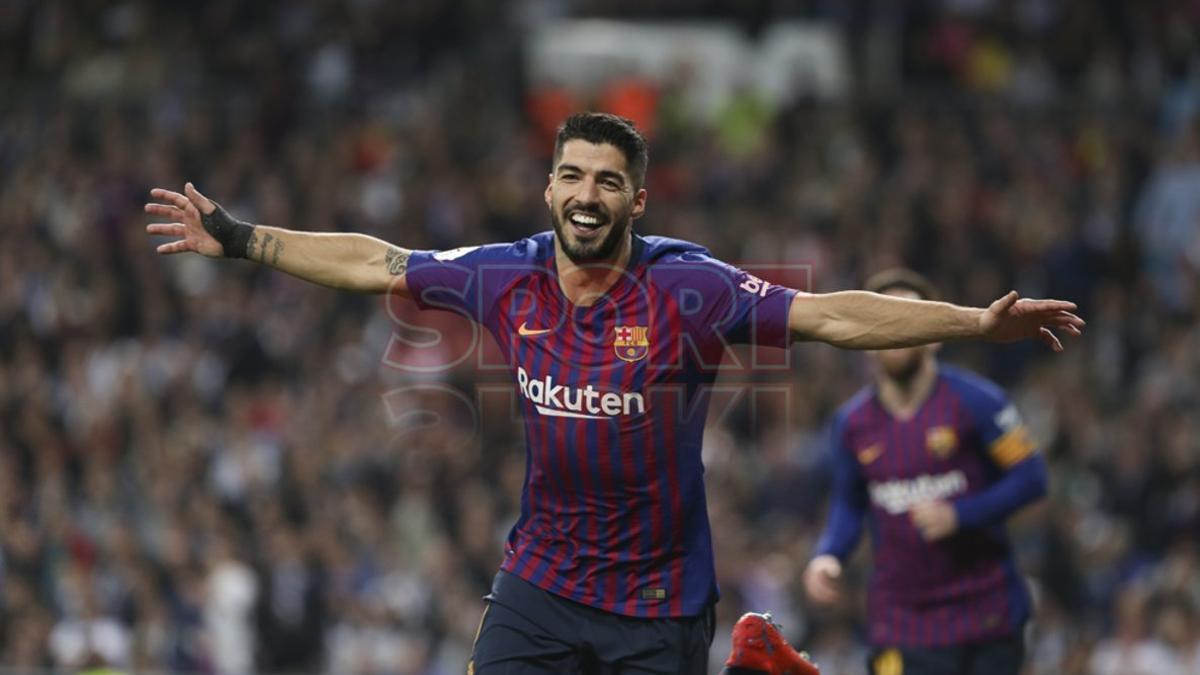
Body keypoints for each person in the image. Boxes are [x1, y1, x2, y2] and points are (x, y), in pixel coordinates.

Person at [145, 113, 1082, 674]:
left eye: (608, 180)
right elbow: (375, 260)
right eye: (571, 175)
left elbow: (833, 316)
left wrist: (973, 323)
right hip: (542, 582)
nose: (586, 193)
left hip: (660, 602)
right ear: (548, 187)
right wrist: (239, 236)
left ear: (638, 201)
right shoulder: (501, 275)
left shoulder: (690, 288)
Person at [801, 268, 1051, 675]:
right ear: (866, 340)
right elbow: (848, 502)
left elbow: (1031, 477)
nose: (897, 334)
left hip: (986, 615)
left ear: (935, 336)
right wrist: (829, 555)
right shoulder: (851, 424)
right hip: (901, 621)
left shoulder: (979, 402)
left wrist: (961, 514)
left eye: (910, 321)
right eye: (885, 323)